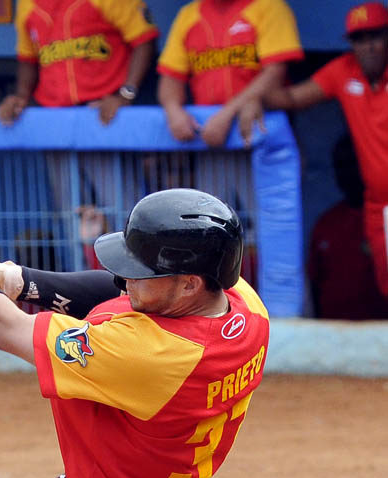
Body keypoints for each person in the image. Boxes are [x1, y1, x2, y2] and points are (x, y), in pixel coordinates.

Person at [0, 188, 270, 478]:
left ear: (190, 283)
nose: (125, 277)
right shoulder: (246, 307)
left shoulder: (147, 355)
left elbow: (1, 326)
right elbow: (121, 294)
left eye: (140, 271)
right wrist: (20, 280)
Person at [264, 1, 388, 301]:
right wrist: (265, 71)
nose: (368, 46)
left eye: (375, 36)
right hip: (377, 204)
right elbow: (288, 98)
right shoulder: (344, 71)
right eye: (359, 39)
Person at [157, 0, 303, 147]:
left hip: (263, 126)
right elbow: (171, 77)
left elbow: (274, 73)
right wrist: (173, 110)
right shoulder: (188, 14)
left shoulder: (269, 6)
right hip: (208, 129)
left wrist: (227, 114)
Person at [0, 0, 159, 126]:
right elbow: (28, 58)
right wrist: (21, 97)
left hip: (105, 108)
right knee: (64, 170)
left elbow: (144, 41)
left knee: (109, 168)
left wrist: (125, 95)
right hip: (56, 115)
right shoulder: (28, 4)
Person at [307, 135, 388, 319]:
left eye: (353, 164)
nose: (347, 173)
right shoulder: (326, 223)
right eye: (340, 166)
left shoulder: (382, 219)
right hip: (331, 333)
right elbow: (314, 281)